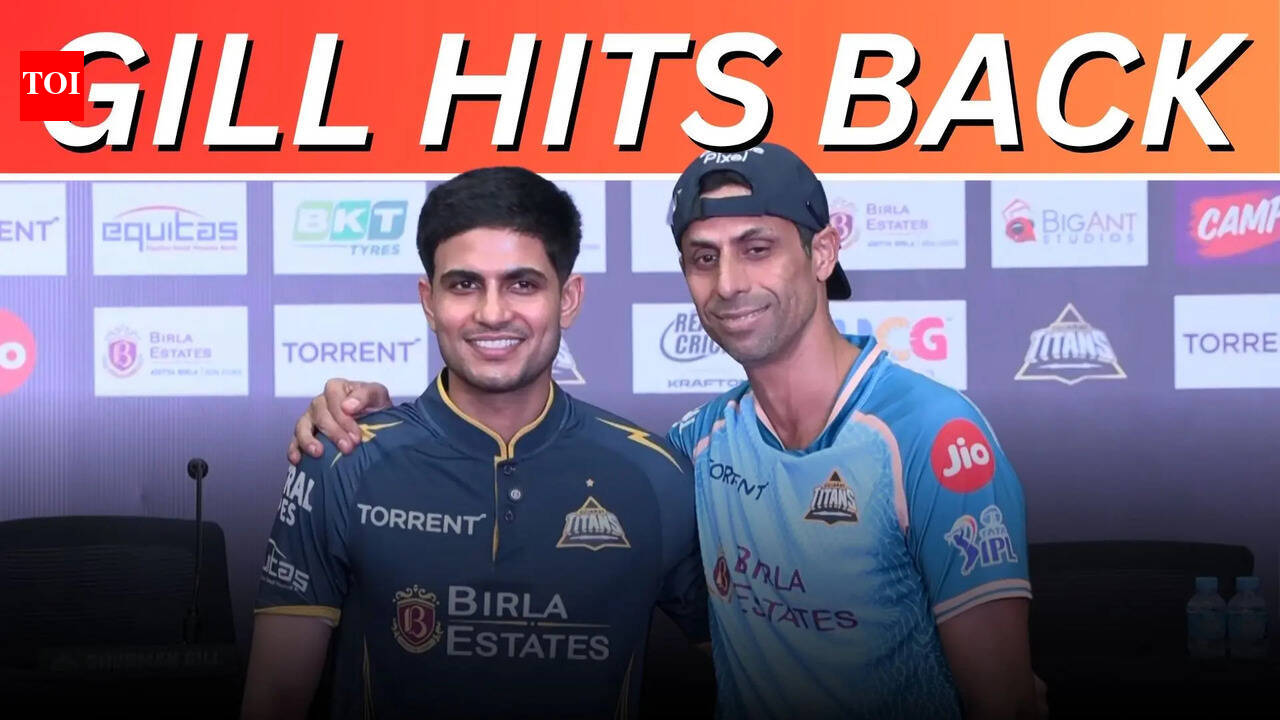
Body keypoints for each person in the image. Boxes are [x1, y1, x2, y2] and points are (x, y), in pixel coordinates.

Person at [288, 145, 1042, 720]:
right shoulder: (693, 447)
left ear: (821, 252)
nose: (729, 284)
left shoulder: (932, 435)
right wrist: (376, 416)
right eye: (703, 259)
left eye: (757, 248)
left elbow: (1005, 700)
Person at [243, 167, 708, 720]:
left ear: (569, 298)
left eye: (522, 284)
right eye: (464, 285)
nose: (492, 313)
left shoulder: (655, 473)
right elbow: (276, 697)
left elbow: (760, 676)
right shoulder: (342, 461)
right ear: (428, 300)